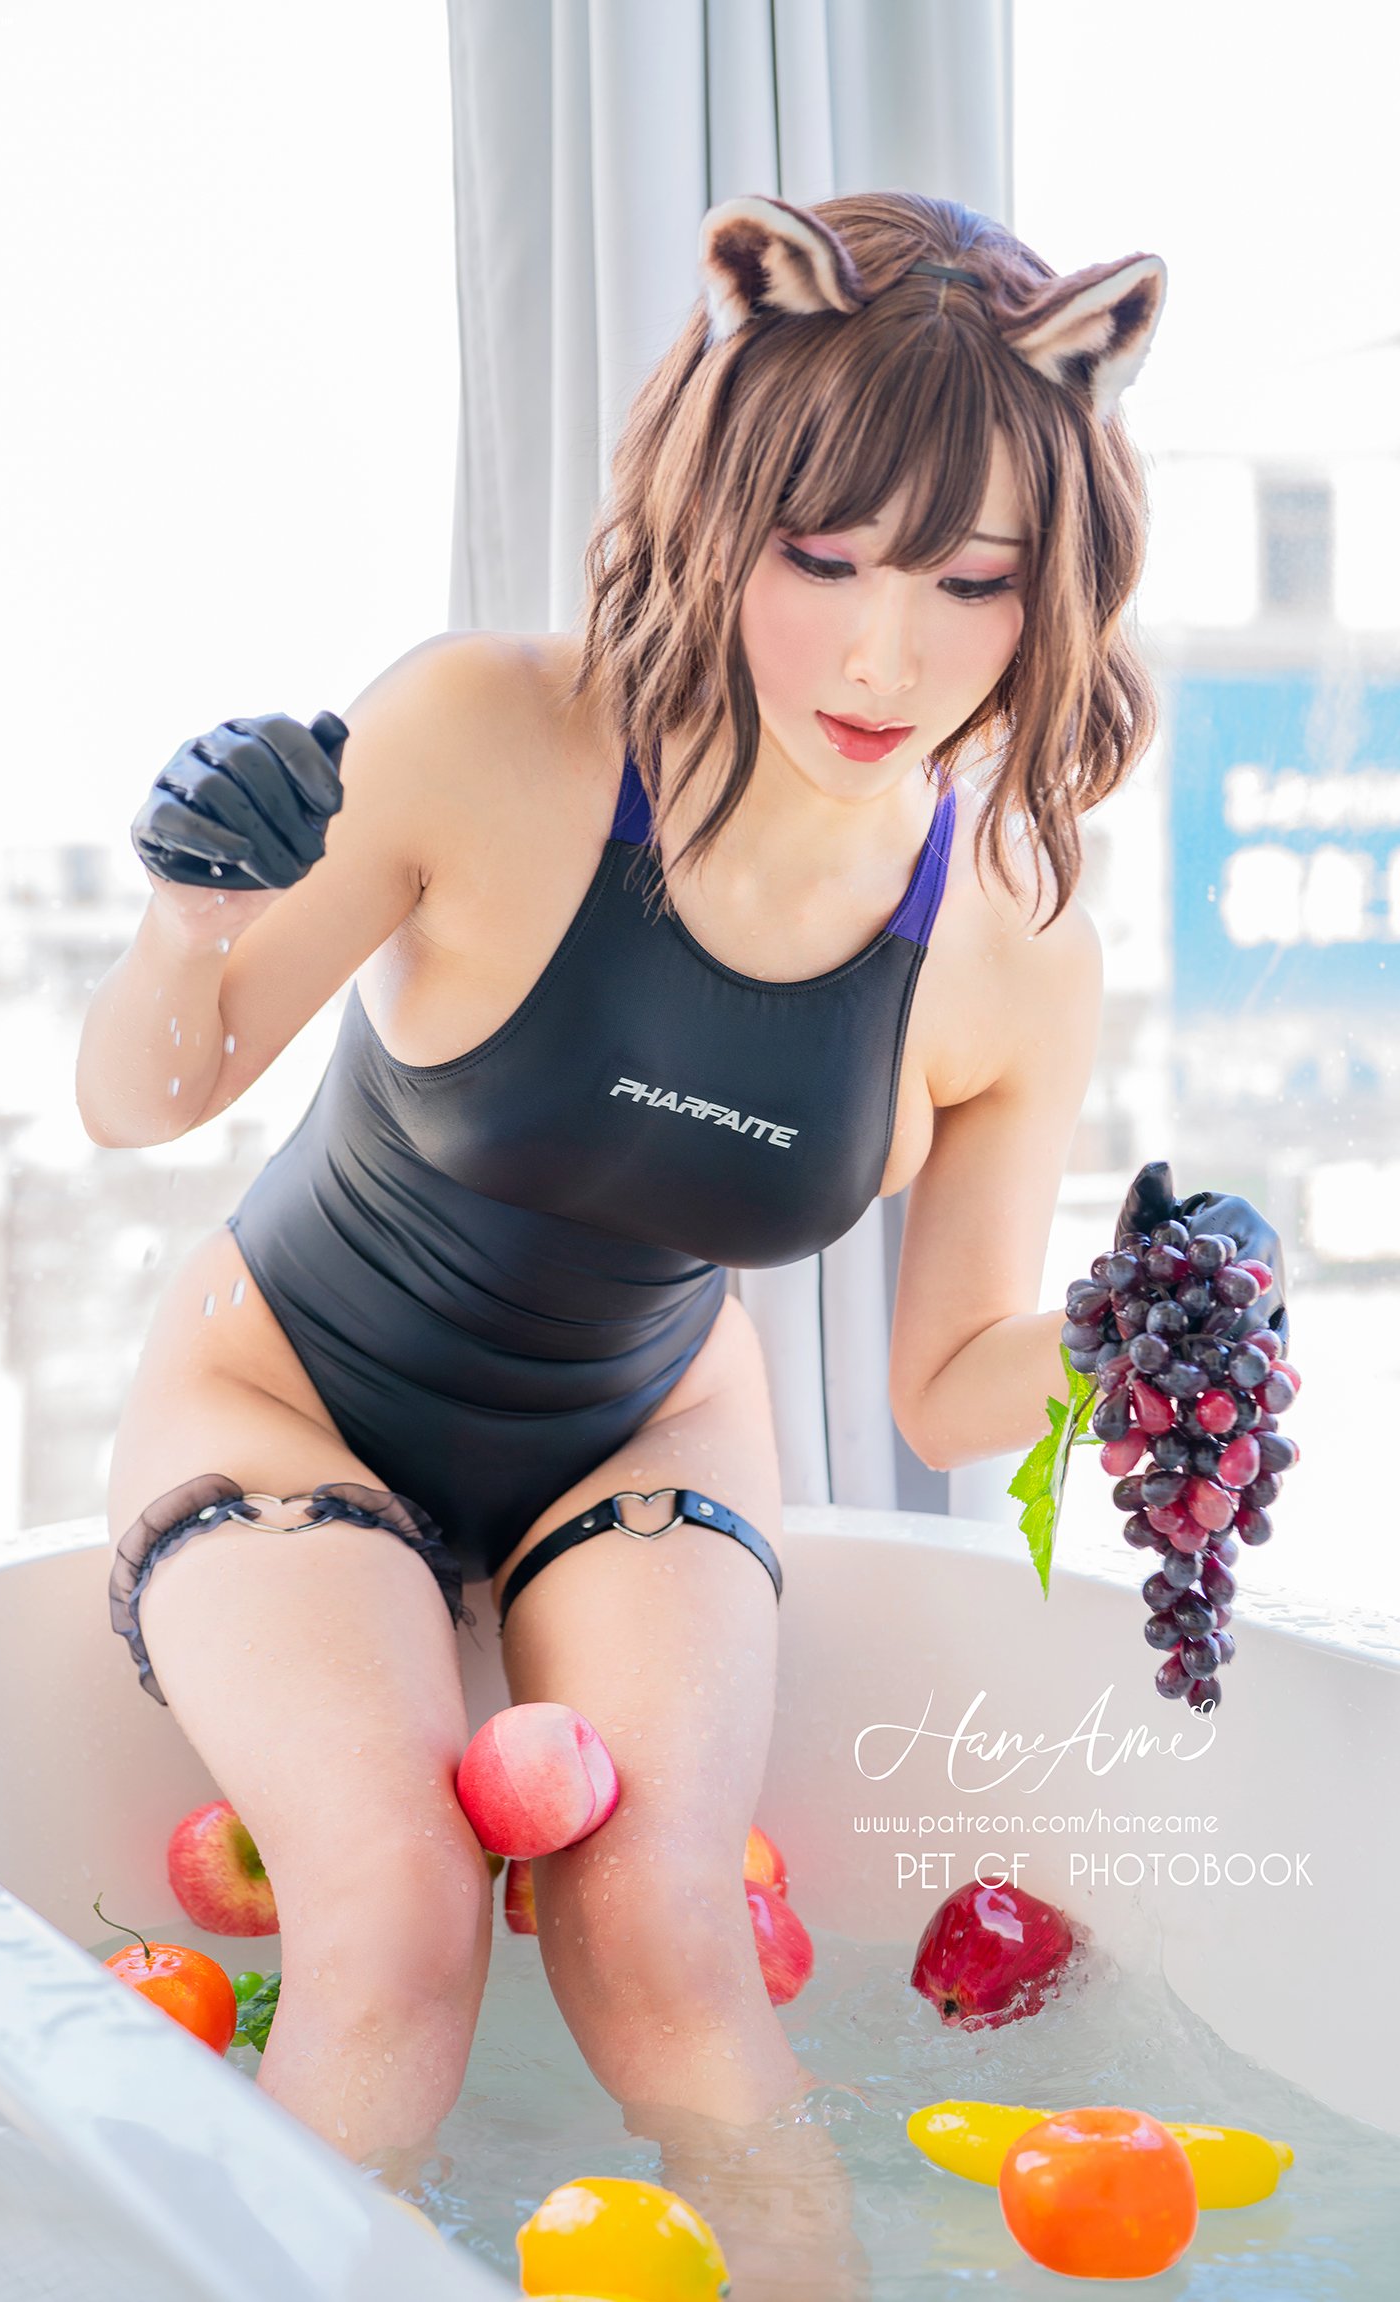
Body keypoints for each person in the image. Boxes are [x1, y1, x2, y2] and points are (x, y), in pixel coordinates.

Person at [77, 189, 1282, 2287]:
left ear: (1057, 583)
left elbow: (948, 1383)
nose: (887, 656)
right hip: (285, 1396)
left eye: (971, 580)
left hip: (641, 1429)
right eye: (822, 558)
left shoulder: (1009, 942)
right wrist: (192, 911)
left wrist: (1145, 1324)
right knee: (395, 1918)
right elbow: (142, 1101)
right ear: (719, 508)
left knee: (675, 1950)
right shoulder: (491, 732)